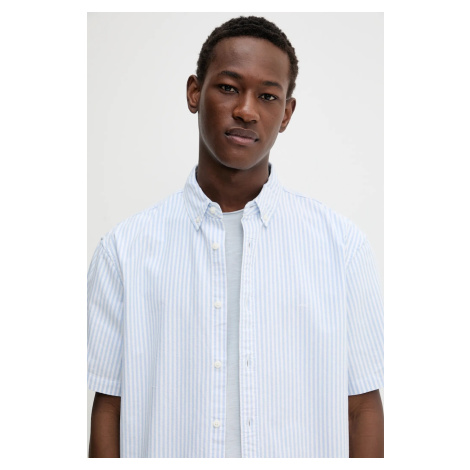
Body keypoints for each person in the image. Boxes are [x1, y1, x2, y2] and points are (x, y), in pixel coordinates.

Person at [88, 15, 384, 458]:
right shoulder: (123, 251)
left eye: (267, 96)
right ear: (194, 92)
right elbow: (109, 408)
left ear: (286, 114)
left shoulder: (343, 248)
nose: (246, 110)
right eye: (228, 87)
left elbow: (361, 408)